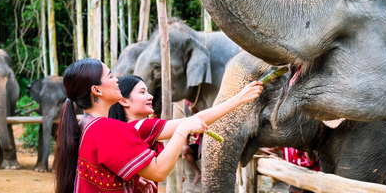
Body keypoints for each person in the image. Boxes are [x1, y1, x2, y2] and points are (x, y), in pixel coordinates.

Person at [55, 59, 263, 193]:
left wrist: (134, 182)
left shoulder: (86, 125)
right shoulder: (108, 129)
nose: (116, 79)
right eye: (110, 76)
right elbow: (159, 172)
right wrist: (183, 130)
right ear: (96, 91)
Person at [108, 75, 263, 189]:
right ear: (124, 100)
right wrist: (239, 98)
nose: (150, 96)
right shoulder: (140, 126)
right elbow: (196, 119)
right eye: (142, 92)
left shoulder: (123, 129)